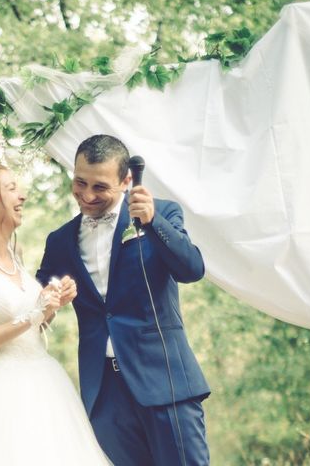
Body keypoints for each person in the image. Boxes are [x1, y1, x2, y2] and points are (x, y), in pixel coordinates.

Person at [36, 135, 211, 466]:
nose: (86, 196)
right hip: (104, 394)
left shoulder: (163, 214)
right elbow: (36, 301)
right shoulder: (59, 241)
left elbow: (192, 270)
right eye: (80, 182)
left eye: (100, 187)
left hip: (165, 381)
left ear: (126, 180)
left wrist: (153, 221)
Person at [0, 163, 112, 466]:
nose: (22, 196)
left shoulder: (14, 256)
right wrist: (35, 314)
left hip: (45, 385)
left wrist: (51, 305)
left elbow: (31, 321)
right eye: (11, 188)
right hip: (0, 394)